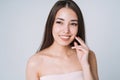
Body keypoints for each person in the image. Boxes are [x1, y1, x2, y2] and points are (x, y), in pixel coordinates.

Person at [26, 0, 99, 80]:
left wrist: (85, 65)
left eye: (73, 24)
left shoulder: (89, 56)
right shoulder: (35, 62)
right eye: (60, 22)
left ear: (78, 27)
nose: (66, 30)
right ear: (51, 24)